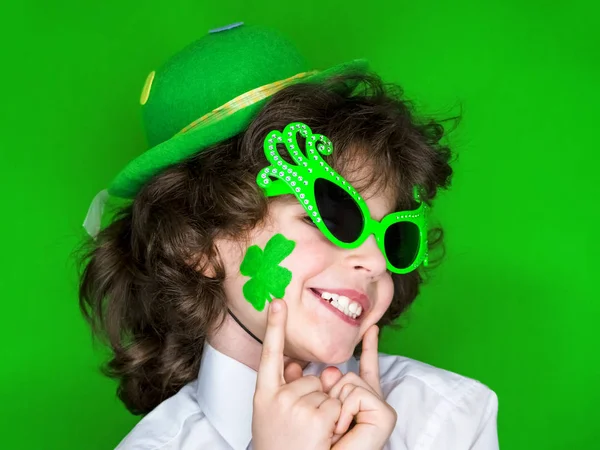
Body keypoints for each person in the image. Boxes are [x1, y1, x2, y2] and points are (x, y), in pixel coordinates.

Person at [78, 23, 499, 450]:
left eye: (395, 237)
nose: (375, 261)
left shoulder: (448, 419)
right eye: (330, 216)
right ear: (196, 243)